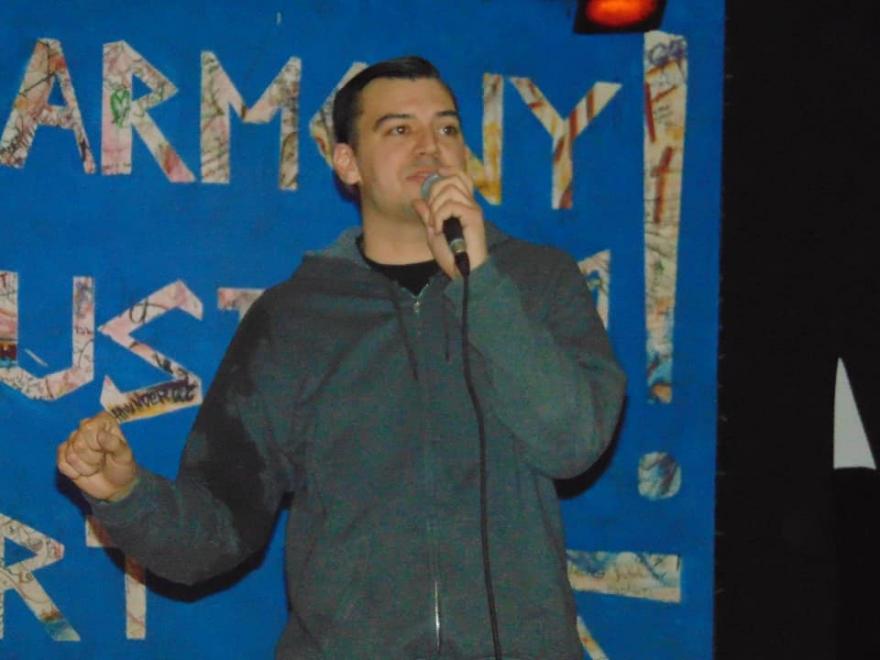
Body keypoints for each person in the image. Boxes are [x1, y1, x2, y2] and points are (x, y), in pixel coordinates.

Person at [56, 55, 626, 659]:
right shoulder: (294, 316)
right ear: (348, 163)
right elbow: (218, 528)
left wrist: (479, 282)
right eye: (399, 129)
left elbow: (572, 443)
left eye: (447, 128)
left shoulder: (537, 282)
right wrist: (125, 496)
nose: (430, 146)